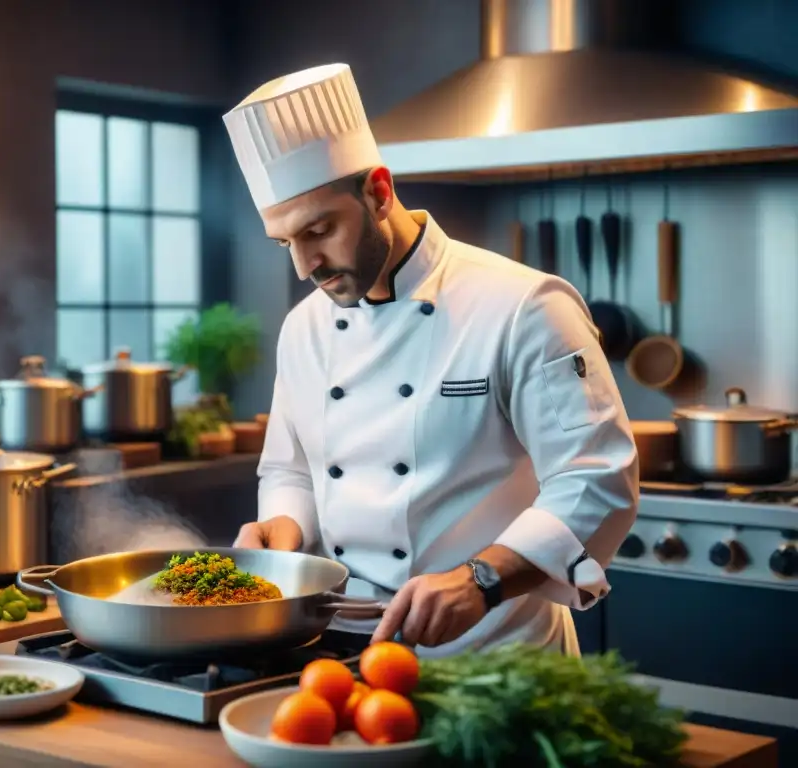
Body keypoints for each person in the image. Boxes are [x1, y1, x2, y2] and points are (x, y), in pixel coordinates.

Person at [223, 63, 638, 658]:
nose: (304, 265)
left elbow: (597, 477)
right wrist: (281, 534)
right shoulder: (303, 329)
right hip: (341, 655)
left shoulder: (522, 305)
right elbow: (290, 470)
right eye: (285, 242)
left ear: (379, 191)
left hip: (498, 660)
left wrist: (481, 582)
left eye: (319, 229)